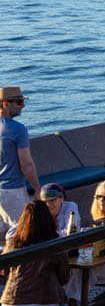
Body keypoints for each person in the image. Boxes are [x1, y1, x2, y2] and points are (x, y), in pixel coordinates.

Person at [0, 200, 71, 306]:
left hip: (11, 304)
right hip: (45, 302)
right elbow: (64, 277)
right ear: (48, 219)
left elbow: (3, 272)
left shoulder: (12, 243)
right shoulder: (56, 243)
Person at [0, 86, 40, 232]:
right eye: (18, 102)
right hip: (12, 191)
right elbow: (26, 164)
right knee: (20, 233)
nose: (23, 106)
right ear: (5, 104)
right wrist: (37, 187)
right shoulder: (18, 129)